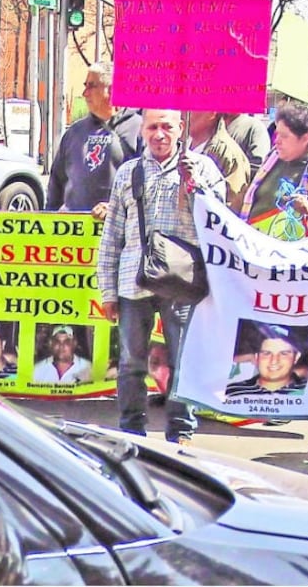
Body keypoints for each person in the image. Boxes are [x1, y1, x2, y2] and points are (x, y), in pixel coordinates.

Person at [97, 108, 226, 445]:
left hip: (182, 282)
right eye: (152, 127)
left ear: (180, 128)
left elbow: (219, 222)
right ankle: (131, 431)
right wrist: (107, 291)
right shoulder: (128, 173)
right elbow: (112, 235)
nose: (159, 134)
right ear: (142, 131)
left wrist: (196, 186)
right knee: (131, 363)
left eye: (167, 127)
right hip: (133, 281)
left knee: (183, 361)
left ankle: (181, 432)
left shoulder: (204, 169)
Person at [46, 61, 141, 220]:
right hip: (76, 230)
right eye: (85, 86)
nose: (85, 93)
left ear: (112, 89)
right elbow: (56, 184)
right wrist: (50, 219)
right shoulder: (74, 133)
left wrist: (116, 207)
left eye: (91, 86)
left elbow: (148, 185)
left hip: (118, 228)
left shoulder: (139, 129)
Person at [238, 104, 308, 240]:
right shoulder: (271, 161)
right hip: (254, 244)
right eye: (277, 134)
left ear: (305, 139)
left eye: (284, 136)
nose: (277, 141)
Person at [186, 111, 253, 213]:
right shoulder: (181, 145)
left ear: (212, 113)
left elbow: (231, 207)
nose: (184, 113)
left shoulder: (228, 154)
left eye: (192, 109)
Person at [225, 324, 308, 396]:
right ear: (257, 357)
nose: (274, 361)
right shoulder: (232, 392)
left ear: (296, 357)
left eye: (283, 353)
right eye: (267, 353)